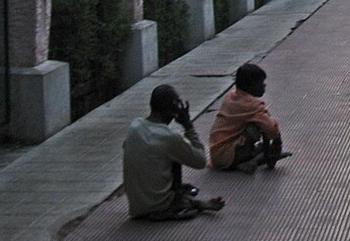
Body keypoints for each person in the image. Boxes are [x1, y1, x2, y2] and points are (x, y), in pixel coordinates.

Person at [123, 84, 225, 220]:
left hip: (136, 206)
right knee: (176, 157)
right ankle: (180, 204)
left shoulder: (135, 126)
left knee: (162, 159)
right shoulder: (170, 137)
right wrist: (188, 125)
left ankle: (183, 201)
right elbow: (201, 161)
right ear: (173, 108)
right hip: (157, 204)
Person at [209, 62, 288, 174]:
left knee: (260, 129)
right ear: (250, 85)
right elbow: (271, 129)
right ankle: (262, 158)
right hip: (228, 156)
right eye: (261, 83)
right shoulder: (251, 105)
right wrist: (277, 142)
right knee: (258, 126)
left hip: (216, 154)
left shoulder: (230, 97)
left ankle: (263, 155)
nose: (264, 86)